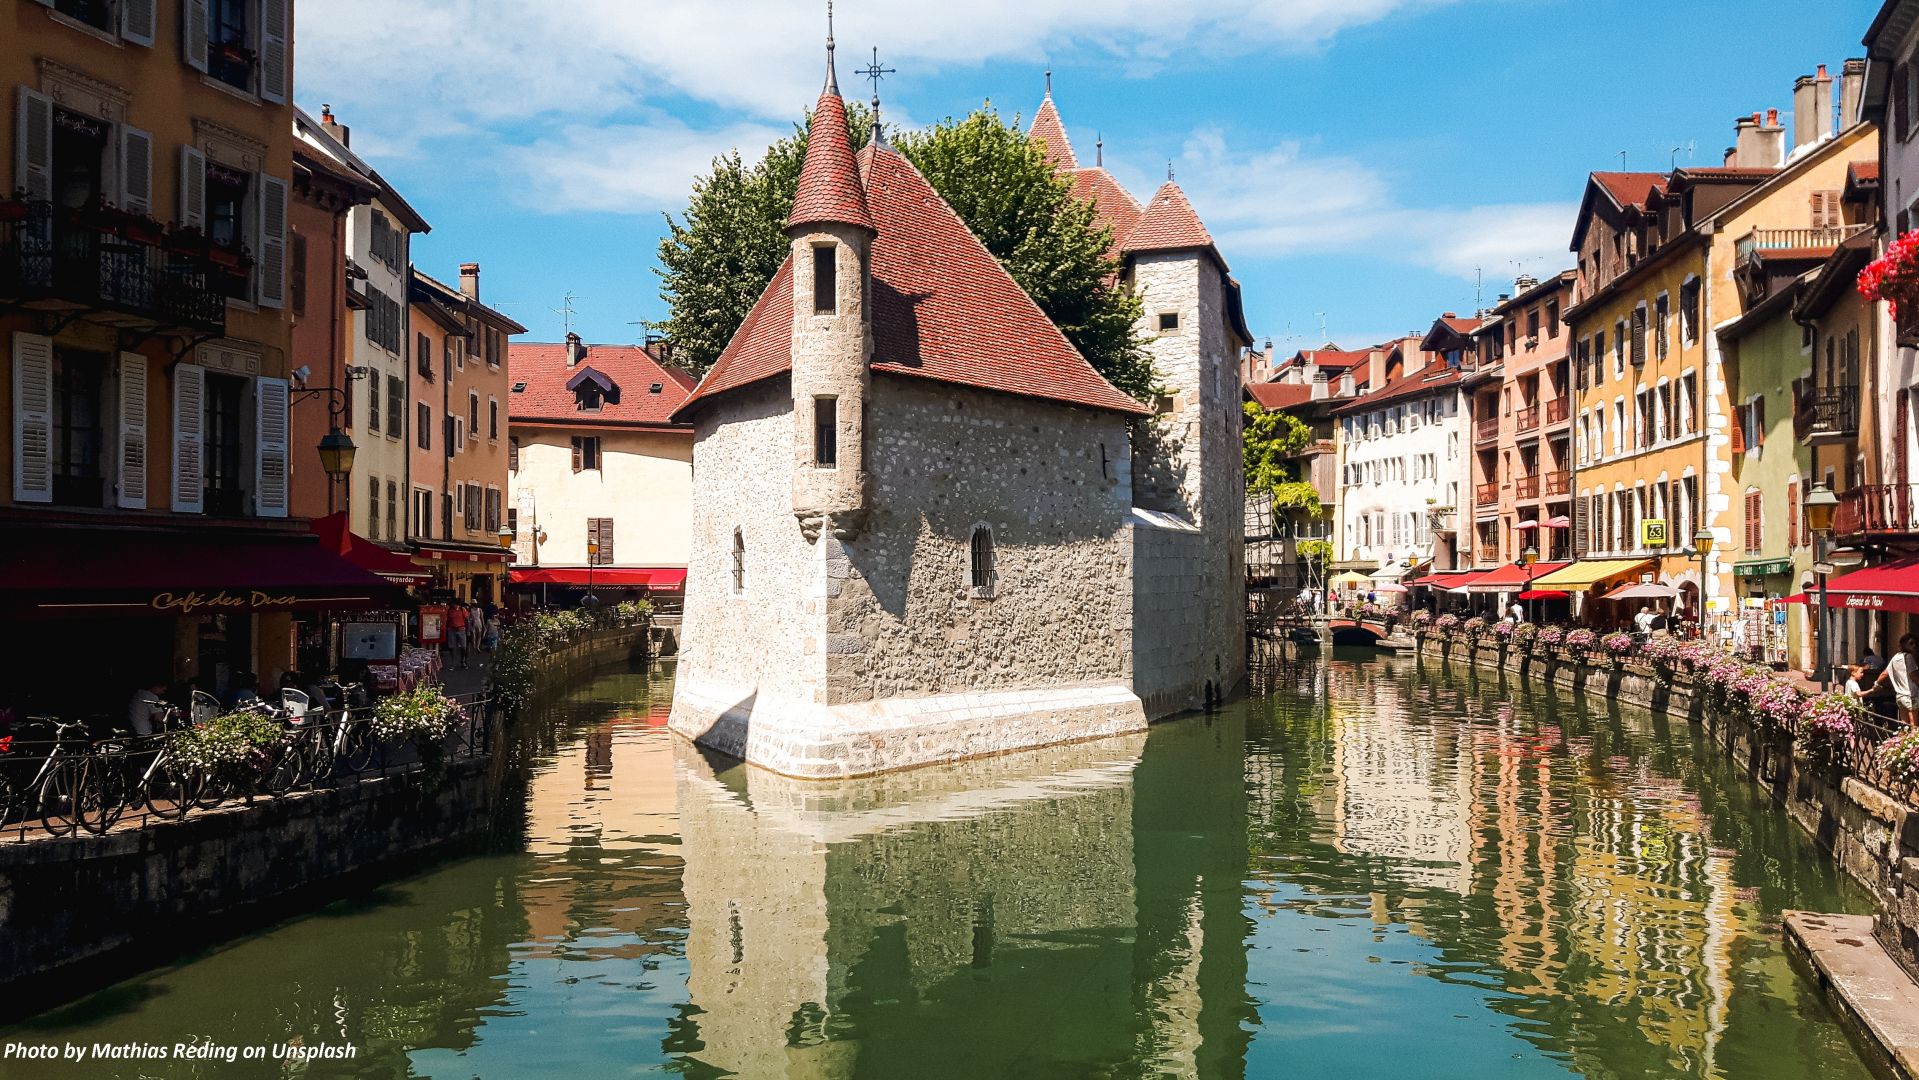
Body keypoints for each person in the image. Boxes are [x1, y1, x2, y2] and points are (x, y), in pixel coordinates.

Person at [1873, 635, 1919, 727]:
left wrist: (1876, 683)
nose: (1914, 646)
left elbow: (1885, 673)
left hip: (1900, 696)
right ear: (1903, 644)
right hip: (1911, 695)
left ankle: (1902, 741)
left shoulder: (1895, 657)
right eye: (1911, 643)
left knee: (1904, 724)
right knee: (1914, 725)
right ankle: (1913, 741)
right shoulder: (1909, 657)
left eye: (1915, 644)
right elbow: (1913, 676)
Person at [446, 603, 470, 668]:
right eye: (455, 604)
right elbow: (447, 619)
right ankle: (453, 663)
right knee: (452, 647)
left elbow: (467, 619)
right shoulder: (449, 610)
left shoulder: (462, 610)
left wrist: (468, 630)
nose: (456, 606)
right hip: (452, 630)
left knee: (463, 647)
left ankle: (462, 660)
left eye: (457, 604)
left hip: (461, 629)